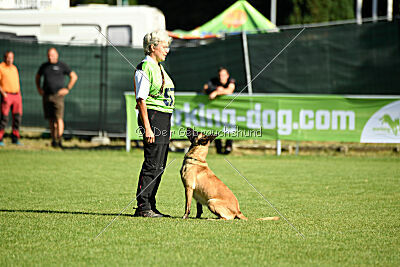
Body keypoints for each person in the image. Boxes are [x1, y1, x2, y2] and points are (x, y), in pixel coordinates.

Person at [133, 30, 175, 218]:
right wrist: (148, 127)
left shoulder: (158, 66)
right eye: (164, 46)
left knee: (160, 165)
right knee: (152, 163)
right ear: (152, 47)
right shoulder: (145, 66)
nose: (167, 50)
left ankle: (151, 204)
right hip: (153, 117)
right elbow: (141, 99)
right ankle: (143, 207)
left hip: (162, 117)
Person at [35, 48, 78, 148]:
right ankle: (53, 140)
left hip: (58, 96)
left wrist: (67, 88)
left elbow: (74, 76)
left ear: (57, 55)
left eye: (52, 55)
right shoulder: (44, 66)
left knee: (59, 118)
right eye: (49, 55)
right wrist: (39, 88)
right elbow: (37, 77)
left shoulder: (62, 65)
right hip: (47, 95)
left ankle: (60, 139)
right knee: (51, 119)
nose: (50, 57)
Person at [203, 67, 235, 154]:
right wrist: (214, 90)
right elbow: (206, 88)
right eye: (220, 75)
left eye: (224, 75)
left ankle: (228, 146)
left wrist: (217, 92)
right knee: (216, 128)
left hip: (229, 110)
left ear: (227, 76)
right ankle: (219, 148)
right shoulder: (214, 81)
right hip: (216, 110)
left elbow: (230, 90)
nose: (222, 77)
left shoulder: (231, 81)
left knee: (229, 127)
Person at [0, 51, 23, 146]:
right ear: (5, 58)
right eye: (8, 57)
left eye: (11, 58)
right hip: (7, 95)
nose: (10, 59)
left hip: (16, 95)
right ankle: (0, 138)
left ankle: (15, 137)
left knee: (17, 117)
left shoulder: (14, 68)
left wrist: (19, 95)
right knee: (4, 118)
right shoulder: (1, 67)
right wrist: (3, 94)